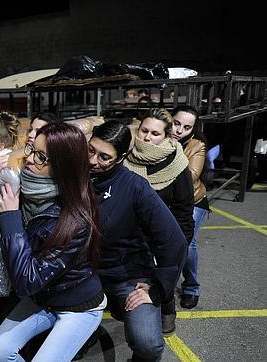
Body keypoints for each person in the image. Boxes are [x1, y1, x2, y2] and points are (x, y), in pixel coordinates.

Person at [0, 123, 105, 361]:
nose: (30, 160)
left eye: (42, 156)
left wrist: (11, 219)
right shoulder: (20, 189)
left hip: (77, 306)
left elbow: (27, 281)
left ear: (63, 167)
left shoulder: (74, 219)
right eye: (31, 149)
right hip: (43, 297)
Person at [88, 120, 187, 360]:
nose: (93, 161)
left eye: (104, 157)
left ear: (120, 158)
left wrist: (158, 289)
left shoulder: (135, 187)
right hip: (85, 275)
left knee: (148, 345)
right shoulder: (75, 176)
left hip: (128, 277)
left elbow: (175, 241)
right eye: (90, 150)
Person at [124, 108, 194, 335]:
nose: (147, 137)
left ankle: (167, 307)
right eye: (144, 130)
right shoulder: (127, 158)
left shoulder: (177, 162)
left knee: (164, 273)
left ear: (166, 136)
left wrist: (180, 244)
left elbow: (184, 209)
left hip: (166, 235)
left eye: (155, 133)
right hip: (135, 235)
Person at [171, 105, 209, 309]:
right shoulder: (157, 134)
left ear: (192, 129)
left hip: (192, 199)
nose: (179, 130)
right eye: (176, 124)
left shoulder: (197, 145)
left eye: (186, 127)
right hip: (165, 200)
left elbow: (191, 177)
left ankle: (191, 287)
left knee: (188, 243)